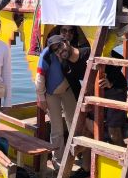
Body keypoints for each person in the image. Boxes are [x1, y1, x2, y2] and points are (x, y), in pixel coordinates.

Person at [35, 35, 77, 170]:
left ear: (64, 43)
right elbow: (39, 78)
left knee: (74, 123)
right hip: (51, 94)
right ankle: (58, 160)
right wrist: (41, 98)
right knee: (57, 127)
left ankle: (74, 154)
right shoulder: (46, 56)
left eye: (59, 45)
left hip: (67, 89)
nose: (57, 49)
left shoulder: (69, 51)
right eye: (54, 48)